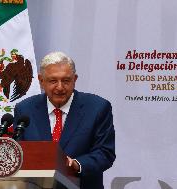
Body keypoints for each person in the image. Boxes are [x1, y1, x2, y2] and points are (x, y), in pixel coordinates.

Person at [13, 51, 116, 189]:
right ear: (41, 81)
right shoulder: (25, 109)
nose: (60, 87)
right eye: (53, 81)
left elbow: (105, 152)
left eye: (66, 80)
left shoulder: (97, 108)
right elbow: (18, 151)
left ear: (75, 79)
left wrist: (76, 164)